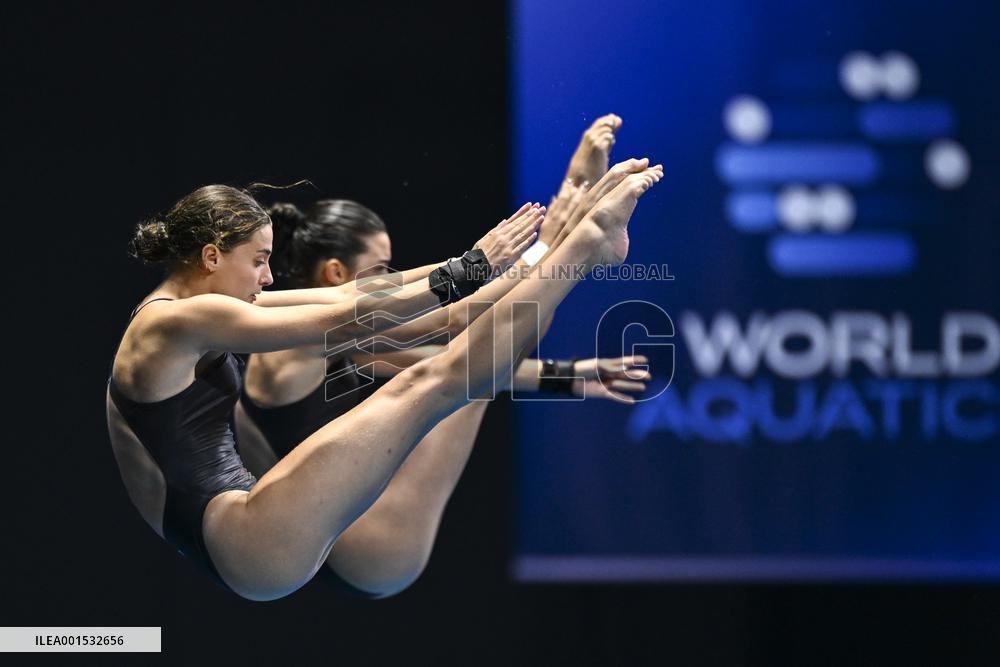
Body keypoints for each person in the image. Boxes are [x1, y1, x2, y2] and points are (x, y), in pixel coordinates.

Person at [106, 146, 662, 601]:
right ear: (209, 256)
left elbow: (361, 298)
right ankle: (583, 247)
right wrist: (470, 265)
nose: (269, 278)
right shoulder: (175, 322)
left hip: (249, 529)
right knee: (445, 382)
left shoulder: (191, 314)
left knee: (450, 377)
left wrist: (493, 265)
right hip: (251, 539)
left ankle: (580, 248)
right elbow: (352, 312)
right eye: (257, 261)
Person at [237, 194, 651, 597]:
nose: (391, 279)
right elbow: (459, 322)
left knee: (470, 370)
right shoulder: (300, 342)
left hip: (334, 543)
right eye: (381, 271)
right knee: (474, 372)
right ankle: (580, 240)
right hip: (371, 548)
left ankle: (576, 237)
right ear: (336, 274)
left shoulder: (337, 339)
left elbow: (457, 356)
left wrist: (571, 377)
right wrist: (550, 247)